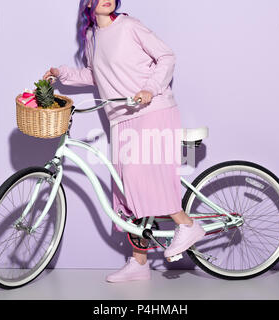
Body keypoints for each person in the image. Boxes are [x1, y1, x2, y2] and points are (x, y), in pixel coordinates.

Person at [43, 0, 205, 282]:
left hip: (152, 110)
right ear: (88, 4)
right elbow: (96, 75)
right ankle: (140, 263)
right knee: (125, 192)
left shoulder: (130, 26)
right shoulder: (93, 37)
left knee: (142, 180)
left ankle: (187, 224)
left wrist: (149, 89)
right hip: (120, 118)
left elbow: (167, 56)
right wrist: (62, 73)